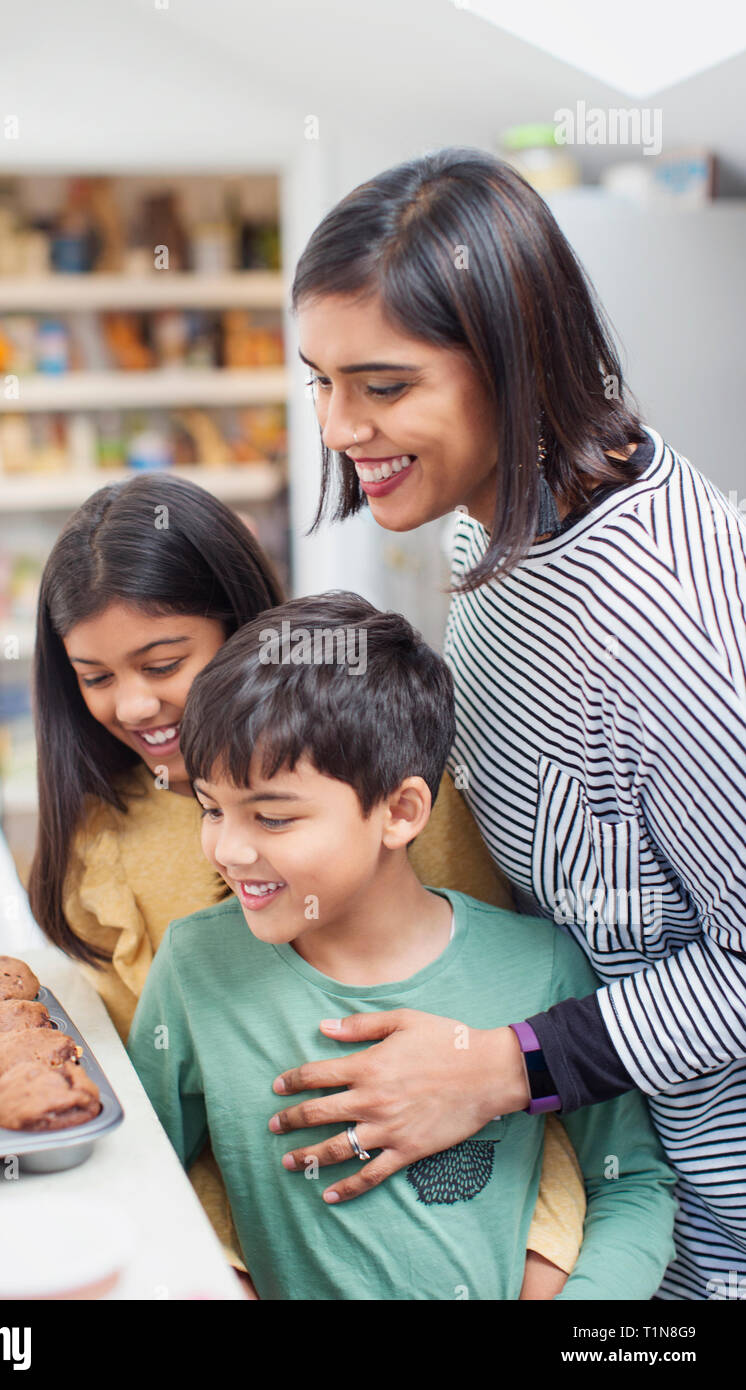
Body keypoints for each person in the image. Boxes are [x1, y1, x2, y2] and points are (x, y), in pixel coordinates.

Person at [272, 144, 746, 1300]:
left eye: (382, 386)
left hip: (706, 1222)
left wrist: (501, 1066)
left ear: (513, 361)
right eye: (319, 380)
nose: (337, 426)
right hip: (596, 1161)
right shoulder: (487, 529)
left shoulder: (667, 623)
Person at [26, 472, 581, 1297]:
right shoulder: (99, 844)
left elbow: (518, 1045)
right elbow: (166, 1124)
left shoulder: (398, 803)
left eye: (164, 661)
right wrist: (228, 1269)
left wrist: (537, 1273)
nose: (134, 703)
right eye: (94, 676)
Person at [126, 592, 677, 1300]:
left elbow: (631, 1184)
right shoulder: (196, 968)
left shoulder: (540, 965)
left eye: (271, 817)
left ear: (401, 812)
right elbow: (138, 1182)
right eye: (211, 809)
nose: (227, 849)